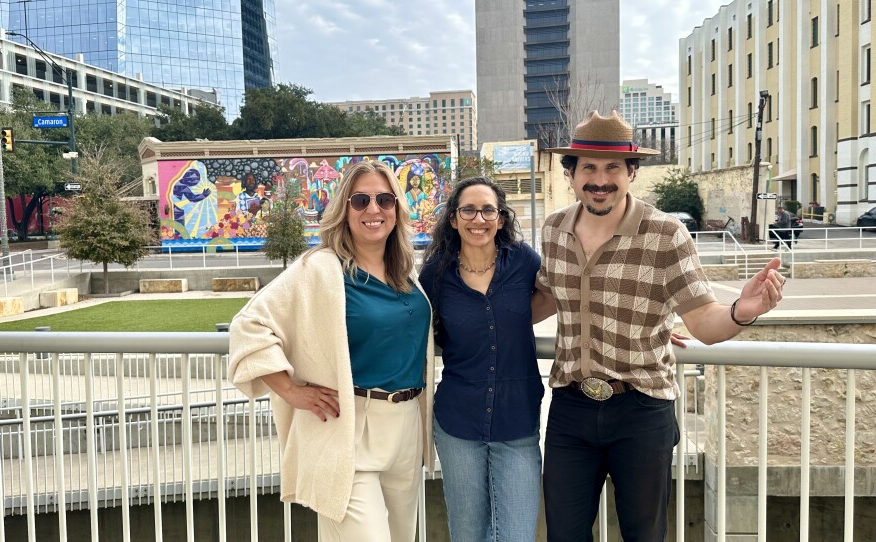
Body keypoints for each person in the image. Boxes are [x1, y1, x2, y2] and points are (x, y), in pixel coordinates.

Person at [536, 111, 785, 542]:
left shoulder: (666, 233)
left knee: (644, 534)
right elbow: (542, 298)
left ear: (632, 172)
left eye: (613, 167)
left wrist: (743, 310)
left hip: (641, 410)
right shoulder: (555, 229)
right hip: (570, 409)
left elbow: (704, 323)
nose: (600, 179)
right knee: (563, 533)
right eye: (588, 167)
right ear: (571, 174)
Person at [228, 160, 435, 542]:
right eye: (361, 200)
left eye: (384, 200)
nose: (374, 210)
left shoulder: (405, 270)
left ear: (397, 209)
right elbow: (249, 326)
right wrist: (291, 391)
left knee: (403, 536)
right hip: (349, 428)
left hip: (407, 428)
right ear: (344, 209)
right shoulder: (320, 268)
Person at [419, 177, 545, 542]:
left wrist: (654, 327)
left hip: (517, 423)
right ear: (454, 219)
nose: (479, 218)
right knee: (469, 535)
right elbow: (414, 327)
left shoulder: (523, 261)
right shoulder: (436, 273)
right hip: (458, 424)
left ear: (501, 218)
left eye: (488, 209)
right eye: (468, 210)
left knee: (516, 535)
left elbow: (569, 293)